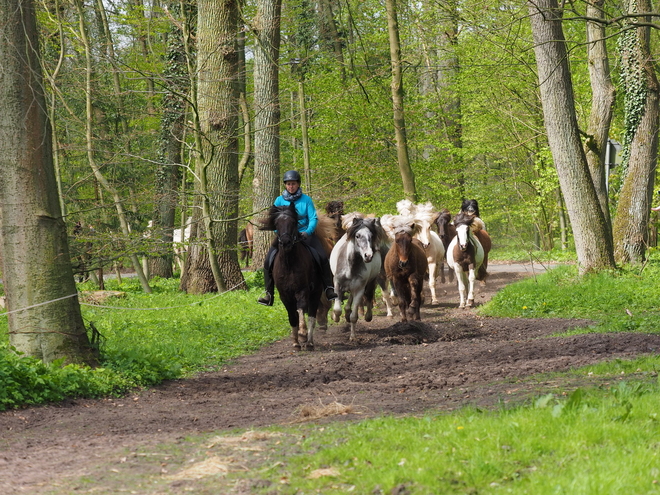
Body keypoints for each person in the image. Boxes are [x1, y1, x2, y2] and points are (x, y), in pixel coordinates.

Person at [257, 170, 339, 306]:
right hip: (285, 236)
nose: (291, 186)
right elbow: (274, 221)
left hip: (304, 235)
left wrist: (308, 231)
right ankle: (268, 294)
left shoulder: (306, 200)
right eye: (288, 184)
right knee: (268, 261)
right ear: (285, 185)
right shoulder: (279, 200)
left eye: (293, 184)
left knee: (322, 257)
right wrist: (281, 232)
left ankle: (328, 288)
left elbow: (313, 218)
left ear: (298, 184)